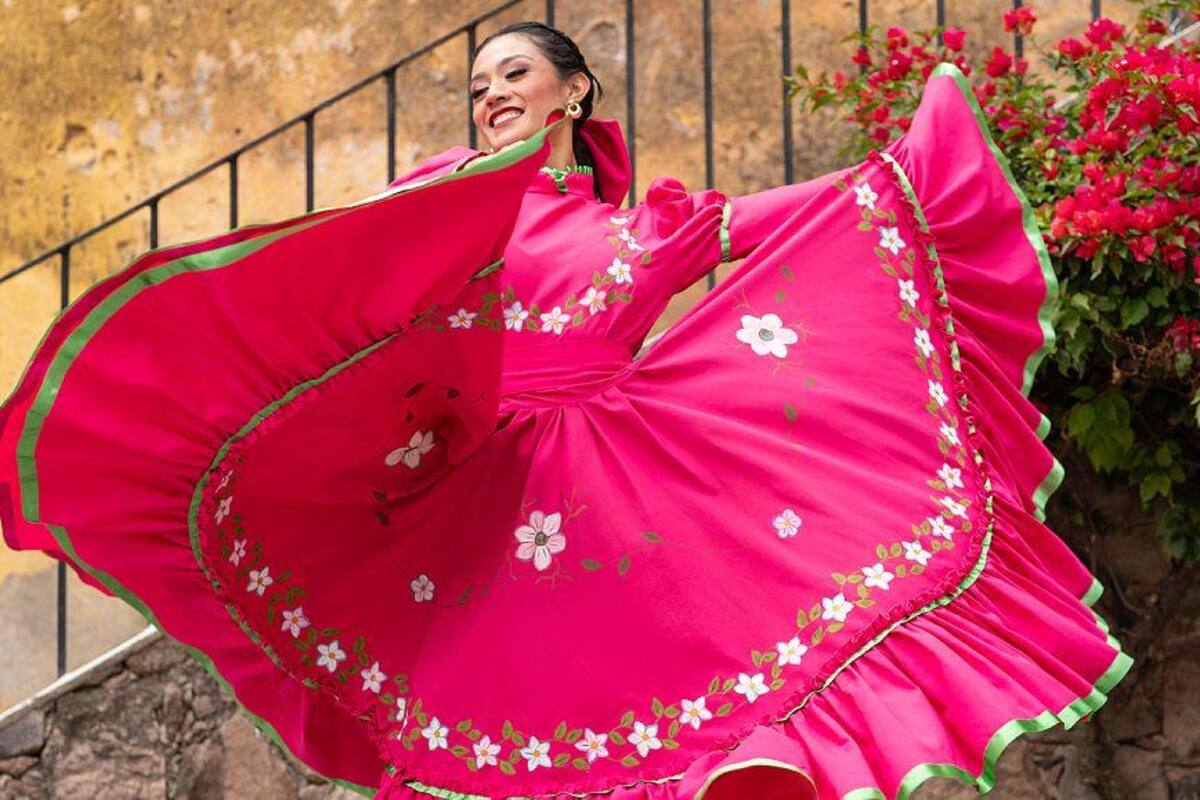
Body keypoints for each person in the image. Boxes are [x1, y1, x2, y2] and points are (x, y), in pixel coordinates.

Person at [0, 20, 1131, 800]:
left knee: (690, 693)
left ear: (573, 90)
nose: (489, 91)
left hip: (619, 482)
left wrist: (896, 177)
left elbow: (762, 224)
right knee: (499, 716)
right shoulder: (442, 204)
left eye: (511, 73)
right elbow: (352, 296)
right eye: (478, 81)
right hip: (483, 497)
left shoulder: (633, 228)